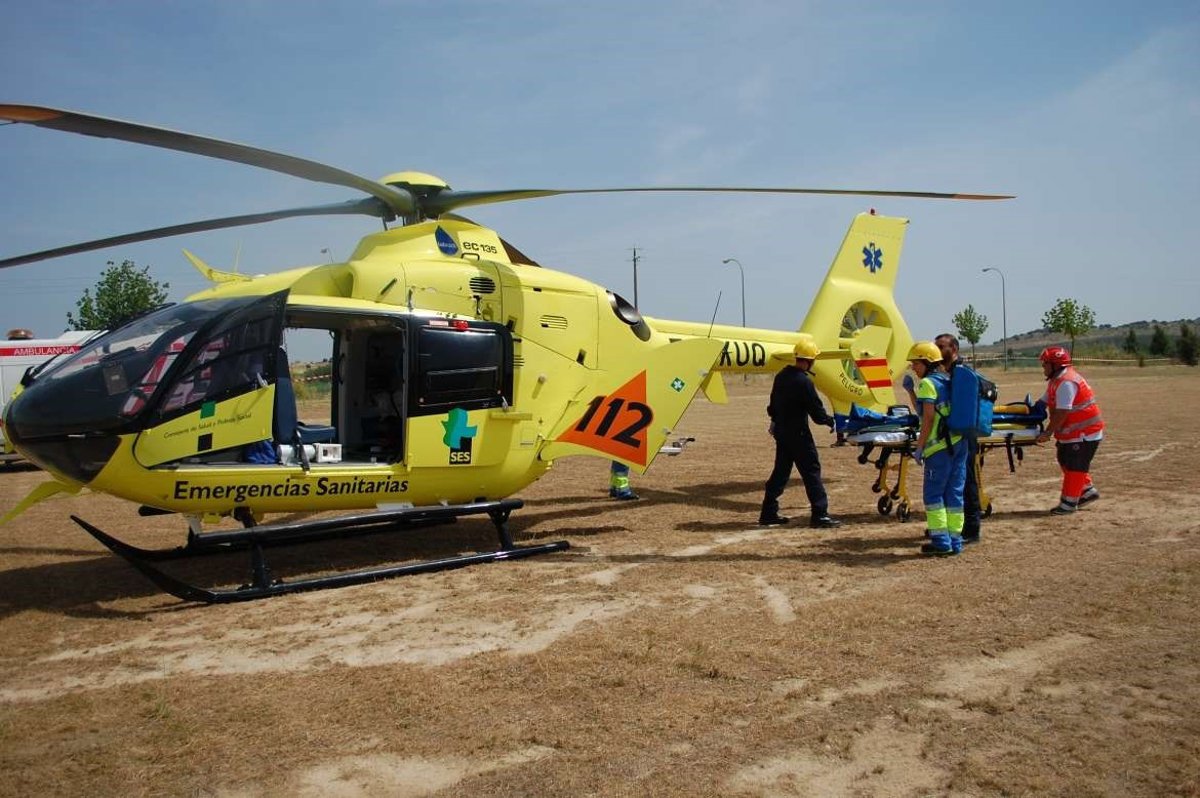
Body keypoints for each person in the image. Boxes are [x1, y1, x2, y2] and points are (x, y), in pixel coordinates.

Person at [758, 340, 841, 528]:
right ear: (810, 361)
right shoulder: (804, 382)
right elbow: (817, 414)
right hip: (799, 435)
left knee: (780, 472)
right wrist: (832, 421)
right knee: (812, 472)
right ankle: (820, 515)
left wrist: (775, 421)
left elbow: (773, 405)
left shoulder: (781, 377)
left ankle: (768, 513)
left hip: (782, 433)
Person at [908, 341, 968, 556]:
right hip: (959, 444)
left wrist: (920, 447)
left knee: (933, 496)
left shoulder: (927, 384)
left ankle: (941, 543)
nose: (913, 367)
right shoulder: (947, 380)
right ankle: (955, 540)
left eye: (915, 363)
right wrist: (910, 392)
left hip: (939, 449)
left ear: (926, 363)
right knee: (954, 495)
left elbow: (928, 418)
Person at [1035, 346, 1104, 514]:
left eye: (1045, 364)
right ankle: (1087, 491)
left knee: (1075, 467)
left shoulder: (1066, 383)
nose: (1043, 367)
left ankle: (1068, 504)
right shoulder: (1056, 380)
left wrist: (1047, 432)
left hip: (1084, 434)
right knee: (1065, 459)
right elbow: (1044, 400)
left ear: (1055, 365)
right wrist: (1032, 409)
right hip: (1073, 434)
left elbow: (1062, 412)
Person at [934, 333, 985, 544]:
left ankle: (971, 529)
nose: (937, 350)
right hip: (952, 435)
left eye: (941, 346)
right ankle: (953, 527)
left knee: (966, 482)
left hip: (964, 435)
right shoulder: (947, 373)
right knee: (952, 483)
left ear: (954, 349)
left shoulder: (961, 373)